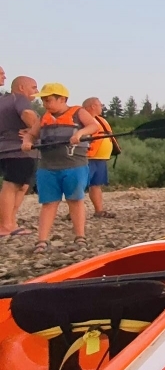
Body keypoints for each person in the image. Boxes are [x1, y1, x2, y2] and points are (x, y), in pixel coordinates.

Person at [21, 83, 99, 252]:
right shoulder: (44, 118)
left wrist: (79, 134)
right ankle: (42, 241)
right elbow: (31, 134)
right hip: (47, 167)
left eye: (48, 100)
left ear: (62, 99)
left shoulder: (78, 112)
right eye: (43, 101)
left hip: (74, 165)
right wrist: (27, 142)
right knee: (48, 203)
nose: (45, 104)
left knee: (75, 200)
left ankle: (80, 237)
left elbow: (94, 126)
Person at [0, 76, 39, 237]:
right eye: (34, 87)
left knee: (21, 186)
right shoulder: (19, 98)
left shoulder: (3, 101)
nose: (37, 92)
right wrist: (36, 131)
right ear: (21, 87)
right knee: (12, 186)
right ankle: (6, 225)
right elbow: (28, 115)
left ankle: (10, 221)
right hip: (18, 150)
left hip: (5, 150)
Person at [82, 97, 119, 218]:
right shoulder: (82, 120)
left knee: (96, 185)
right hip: (87, 158)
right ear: (92, 106)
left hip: (100, 158)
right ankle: (74, 212)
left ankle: (99, 211)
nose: (101, 107)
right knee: (80, 186)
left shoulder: (101, 120)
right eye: (100, 105)